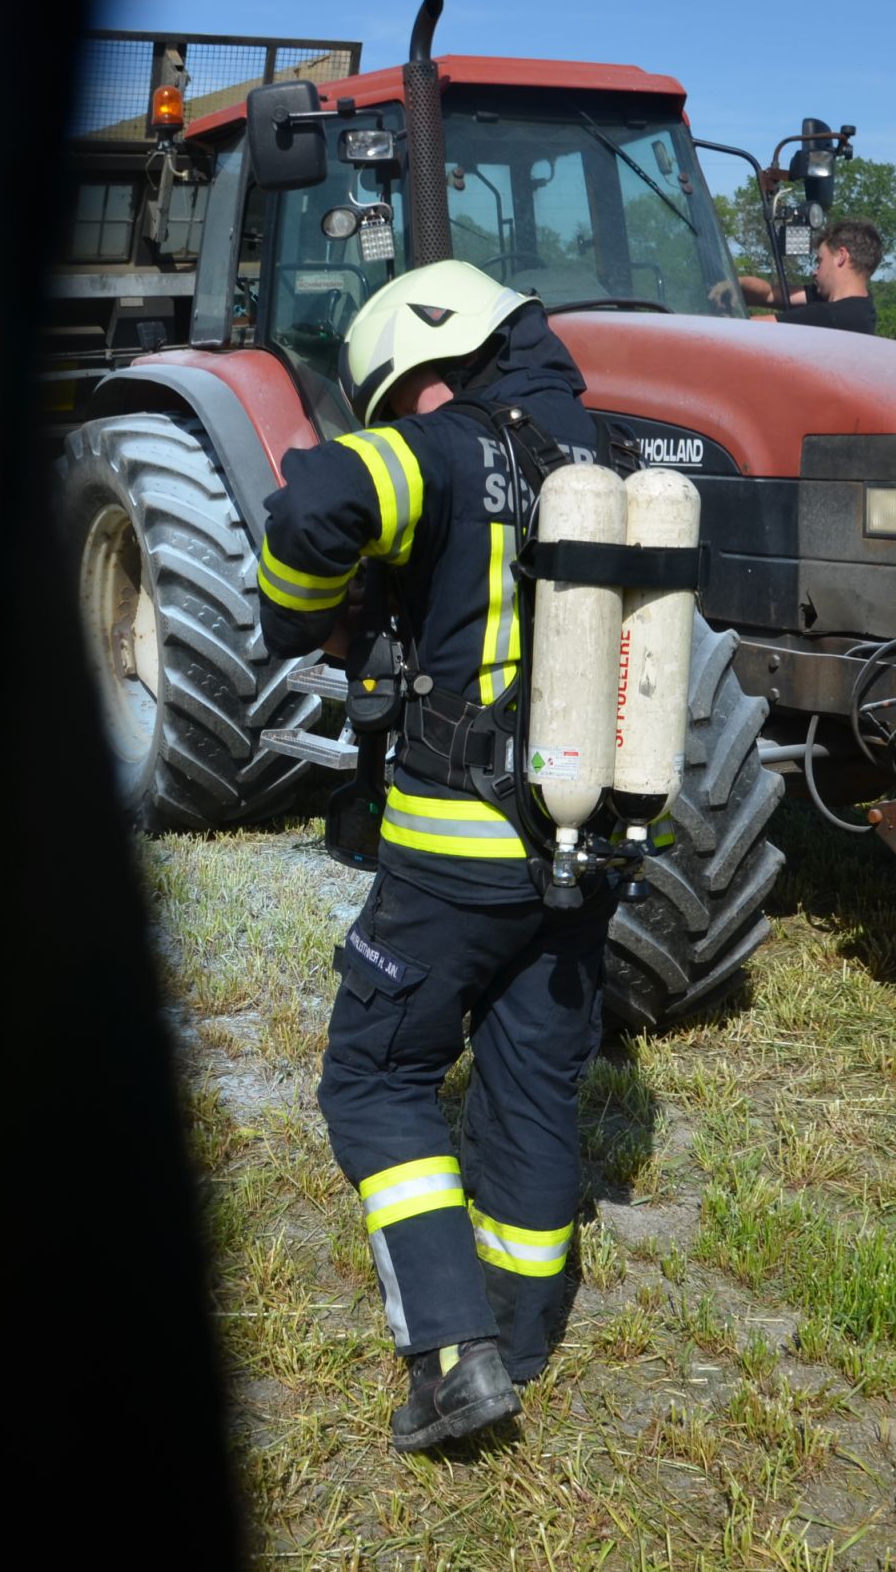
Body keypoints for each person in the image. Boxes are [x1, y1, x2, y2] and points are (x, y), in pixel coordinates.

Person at [254, 260, 616, 1454]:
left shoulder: (450, 448)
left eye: (403, 388)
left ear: (434, 366)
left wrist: (296, 610)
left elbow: (316, 504)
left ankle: (454, 1359)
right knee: (529, 1082)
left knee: (375, 1078)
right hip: (583, 852)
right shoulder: (604, 454)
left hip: (452, 856)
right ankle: (522, 1334)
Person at [738, 216, 880, 334]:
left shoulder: (832, 317)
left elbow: (740, 328)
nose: (814, 271)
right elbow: (770, 293)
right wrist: (733, 282)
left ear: (841, 257)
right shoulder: (862, 308)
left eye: (820, 261)